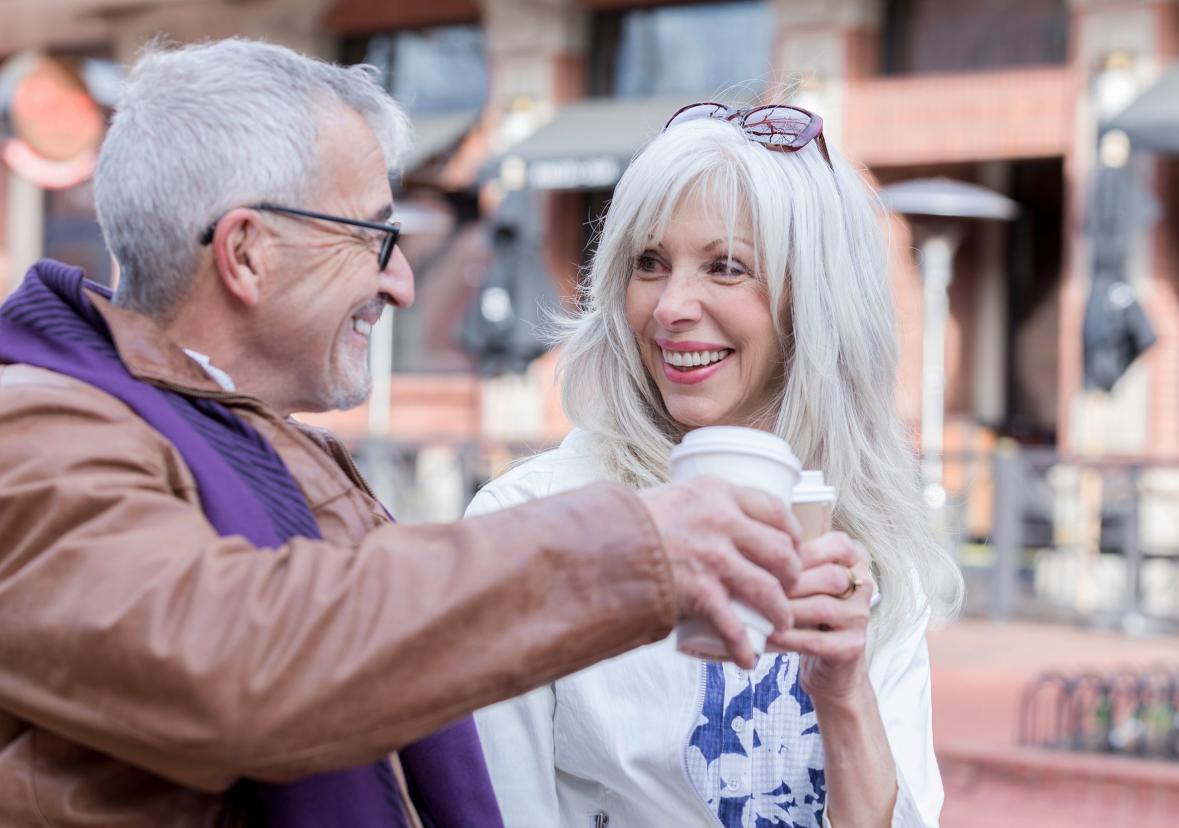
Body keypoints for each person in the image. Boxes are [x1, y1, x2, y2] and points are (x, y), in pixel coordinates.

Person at [0, 42, 806, 827]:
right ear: (248, 253)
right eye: (375, 237)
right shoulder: (37, 431)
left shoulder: (244, 435)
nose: (402, 281)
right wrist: (632, 547)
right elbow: (240, 657)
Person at [469, 102, 964, 827]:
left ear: (813, 302)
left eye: (726, 267)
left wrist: (843, 690)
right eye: (649, 263)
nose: (670, 306)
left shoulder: (871, 543)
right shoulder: (527, 526)